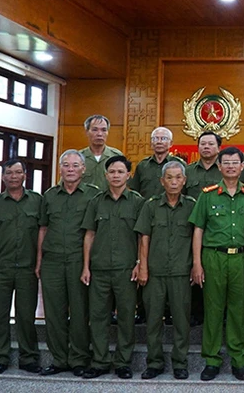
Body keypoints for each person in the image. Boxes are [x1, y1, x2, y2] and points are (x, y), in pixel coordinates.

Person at [189, 146, 244, 382]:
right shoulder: (207, 195)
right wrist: (197, 263)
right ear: (219, 166)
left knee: (239, 310)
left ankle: (239, 360)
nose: (230, 166)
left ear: (242, 166)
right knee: (213, 309)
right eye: (225, 162)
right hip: (213, 257)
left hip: (241, 257)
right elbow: (198, 230)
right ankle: (211, 360)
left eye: (234, 162)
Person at [80, 155, 145, 379]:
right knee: (98, 316)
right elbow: (89, 234)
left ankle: (123, 362)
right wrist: (85, 266)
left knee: (127, 316)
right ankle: (99, 361)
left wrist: (140, 263)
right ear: (106, 175)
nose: (116, 176)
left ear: (128, 175)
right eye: (112, 172)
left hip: (126, 270)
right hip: (98, 269)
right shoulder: (96, 201)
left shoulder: (137, 201)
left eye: (120, 172)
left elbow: (141, 237)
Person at [36, 150, 100, 377]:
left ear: (83, 169)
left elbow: (94, 232)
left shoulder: (93, 195)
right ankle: (59, 359)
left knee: (80, 311)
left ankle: (79, 359)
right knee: (54, 313)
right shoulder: (50, 195)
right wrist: (39, 261)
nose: (70, 169)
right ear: (60, 169)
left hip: (78, 260)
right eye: (66, 165)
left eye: (75, 165)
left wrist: (87, 264)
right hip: (52, 260)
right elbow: (43, 228)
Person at [0, 159, 41, 375]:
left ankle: (29, 358)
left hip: (27, 269)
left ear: (25, 176)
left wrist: (40, 262)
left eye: (18, 172)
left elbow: (43, 233)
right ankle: (0, 357)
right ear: (3, 177)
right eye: (9, 173)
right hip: (0, 269)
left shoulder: (37, 201)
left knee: (26, 316)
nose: (13, 176)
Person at [134, 161, 197, 380]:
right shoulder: (150, 206)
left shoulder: (191, 205)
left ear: (184, 180)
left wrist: (195, 266)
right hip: (155, 272)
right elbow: (144, 238)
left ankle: (180, 362)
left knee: (181, 320)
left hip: (181, 272)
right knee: (153, 320)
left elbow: (196, 239)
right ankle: (154, 362)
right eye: (169, 178)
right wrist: (143, 268)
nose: (173, 182)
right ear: (162, 181)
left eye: (178, 177)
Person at [184, 131, 223, 327]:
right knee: (194, 269)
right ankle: (195, 313)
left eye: (210, 144)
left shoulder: (224, 171)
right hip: (191, 229)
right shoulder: (188, 171)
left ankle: (218, 316)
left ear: (219, 148)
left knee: (216, 274)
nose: (206, 147)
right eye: (202, 144)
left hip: (219, 230)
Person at [129, 126, 186, 198]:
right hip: (146, 207)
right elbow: (135, 191)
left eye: (163, 138)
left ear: (171, 143)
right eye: (155, 139)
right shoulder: (142, 165)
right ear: (151, 143)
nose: (159, 142)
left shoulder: (180, 164)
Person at [80, 114, 123, 191]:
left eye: (103, 130)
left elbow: (125, 183)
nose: (99, 134)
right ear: (87, 132)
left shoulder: (117, 156)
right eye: (95, 130)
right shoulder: (78, 158)